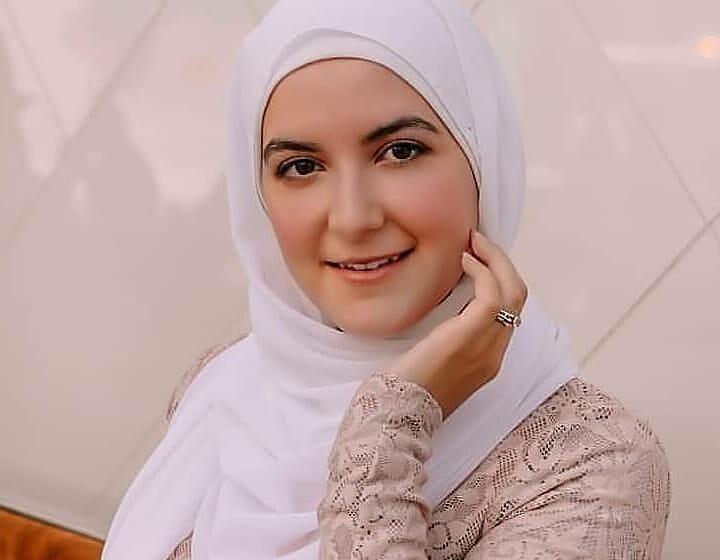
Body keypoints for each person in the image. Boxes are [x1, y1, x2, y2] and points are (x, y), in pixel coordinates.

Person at [101, 0, 671, 558]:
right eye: (302, 166)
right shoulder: (223, 386)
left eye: (400, 151)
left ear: (484, 160)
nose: (353, 218)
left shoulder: (595, 465)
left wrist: (391, 423)